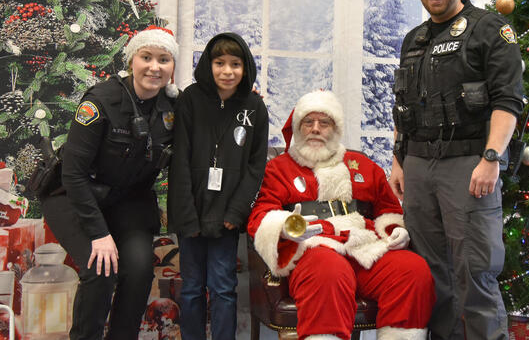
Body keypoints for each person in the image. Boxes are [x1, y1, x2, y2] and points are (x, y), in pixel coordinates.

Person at [388, 0, 524, 340]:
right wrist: (399, 161)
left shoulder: (488, 29)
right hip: (417, 164)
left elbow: (507, 100)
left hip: (469, 164)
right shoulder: (413, 39)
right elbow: (403, 106)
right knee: (431, 274)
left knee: (475, 270)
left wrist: (491, 158)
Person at [247, 90, 436, 340]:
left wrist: (394, 230)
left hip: (362, 246)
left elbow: (388, 209)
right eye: (308, 122)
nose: (315, 129)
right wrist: (286, 227)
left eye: (324, 123)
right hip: (312, 248)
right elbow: (261, 214)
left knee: (413, 270)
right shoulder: (278, 168)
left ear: (335, 129)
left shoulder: (361, 165)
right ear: (297, 127)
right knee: (329, 270)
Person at [41, 25, 180, 339]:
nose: (154, 67)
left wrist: (241, 99)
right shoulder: (101, 100)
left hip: (127, 201)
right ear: (132, 59)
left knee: (140, 270)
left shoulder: (173, 106)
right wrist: (99, 233)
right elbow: (73, 174)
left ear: (172, 68)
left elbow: (211, 111)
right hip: (74, 195)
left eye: (164, 59)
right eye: (146, 57)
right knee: (100, 269)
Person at [167, 32, 269, 340]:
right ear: (209, 65)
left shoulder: (254, 107)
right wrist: (186, 215)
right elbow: (180, 159)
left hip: (227, 214)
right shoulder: (190, 100)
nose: (227, 71)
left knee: (224, 288)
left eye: (235, 64)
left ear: (245, 67)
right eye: (219, 62)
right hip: (192, 213)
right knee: (192, 288)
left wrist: (236, 212)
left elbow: (255, 167)